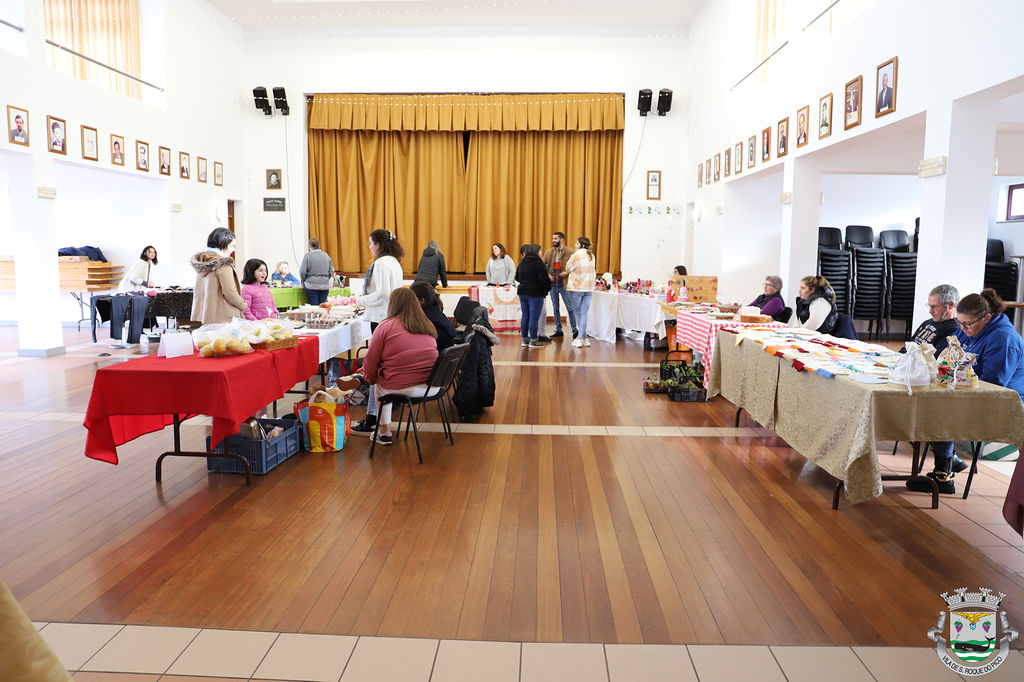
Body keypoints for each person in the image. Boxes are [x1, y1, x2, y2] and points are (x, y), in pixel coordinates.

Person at [909, 289, 1024, 495]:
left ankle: (943, 474)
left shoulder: (1004, 340)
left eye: (967, 324)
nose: (961, 328)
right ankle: (949, 457)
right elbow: (951, 360)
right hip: (971, 392)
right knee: (924, 398)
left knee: (941, 407)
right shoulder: (966, 329)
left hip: (1005, 403)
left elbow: (993, 386)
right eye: (960, 323)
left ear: (987, 318)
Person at [353, 288, 439, 446]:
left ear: (392, 305)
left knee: (379, 384)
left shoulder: (385, 326)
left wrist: (369, 377)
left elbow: (371, 361)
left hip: (403, 387)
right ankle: (383, 430)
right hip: (432, 386)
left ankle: (384, 433)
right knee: (383, 378)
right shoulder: (427, 325)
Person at [351, 229, 405, 435]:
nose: (369, 245)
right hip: (390, 316)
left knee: (375, 367)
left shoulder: (382, 263)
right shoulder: (394, 262)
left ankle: (373, 417)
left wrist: (360, 300)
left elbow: (381, 292)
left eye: (370, 243)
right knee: (382, 366)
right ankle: (376, 415)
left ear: (378, 245)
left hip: (380, 318)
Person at [190, 227, 246, 324]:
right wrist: (243, 305)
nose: (233, 250)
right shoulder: (223, 264)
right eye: (232, 246)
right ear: (223, 244)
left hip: (206, 315)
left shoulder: (204, 261)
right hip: (223, 316)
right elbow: (230, 293)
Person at [515, 244, 551, 348]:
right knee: (534, 317)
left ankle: (524, 339)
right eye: (540, 251)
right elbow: (544, 280)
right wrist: (547, 289)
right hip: (535, 293)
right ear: (536, 252)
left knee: (525, 316)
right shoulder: (538, 263)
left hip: (522, 292)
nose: (541, 253)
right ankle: (534, 340)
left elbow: (517, 276)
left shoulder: (522, 262)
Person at [907, 284, 959, 354]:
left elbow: (934, 360)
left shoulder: (954, 330)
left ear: (950, 305)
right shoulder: (927, 323)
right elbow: (909, 345)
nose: (930, 311)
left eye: (935, 307)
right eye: (929, 306)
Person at [542, 232, 577, 339]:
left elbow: (576, 267)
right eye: (552, 238)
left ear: (562, 240)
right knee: (555, 307)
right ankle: (559, 330)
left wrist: (566, 273)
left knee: (570, 308)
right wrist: (548, 275)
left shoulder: (570, 252)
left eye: (556, 238)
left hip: (564, 284)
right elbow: (542, 265)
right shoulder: (549, 252)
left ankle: (575, 330)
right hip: (553, 285)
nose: (553, 240)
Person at [565, 236, 597, 348]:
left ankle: (580, 337)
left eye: (576, 243)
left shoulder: (576, 255)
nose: (575, 245)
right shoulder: (592, 256)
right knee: (584, 313)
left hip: (577, 287)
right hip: (589, 288)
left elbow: (568, 268)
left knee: (578, 313)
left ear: (582, 245)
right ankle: (584, 338)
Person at [409, 281, 456, 352]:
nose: (410, 303)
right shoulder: (437, 313)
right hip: (441, 358)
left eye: (412, 299)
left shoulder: (425, 320)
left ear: (422, 301)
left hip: (432, 359)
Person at [299, 238, 334, 306]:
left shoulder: (307, 256)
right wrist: (326, 279)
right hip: (324, 285)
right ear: (319, 245)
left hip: (311, 285)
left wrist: (304, 280)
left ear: (310, 246)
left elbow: (302, 271)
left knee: (314, 307)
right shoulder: (326, 255)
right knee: (322, 307)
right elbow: (331, 271)